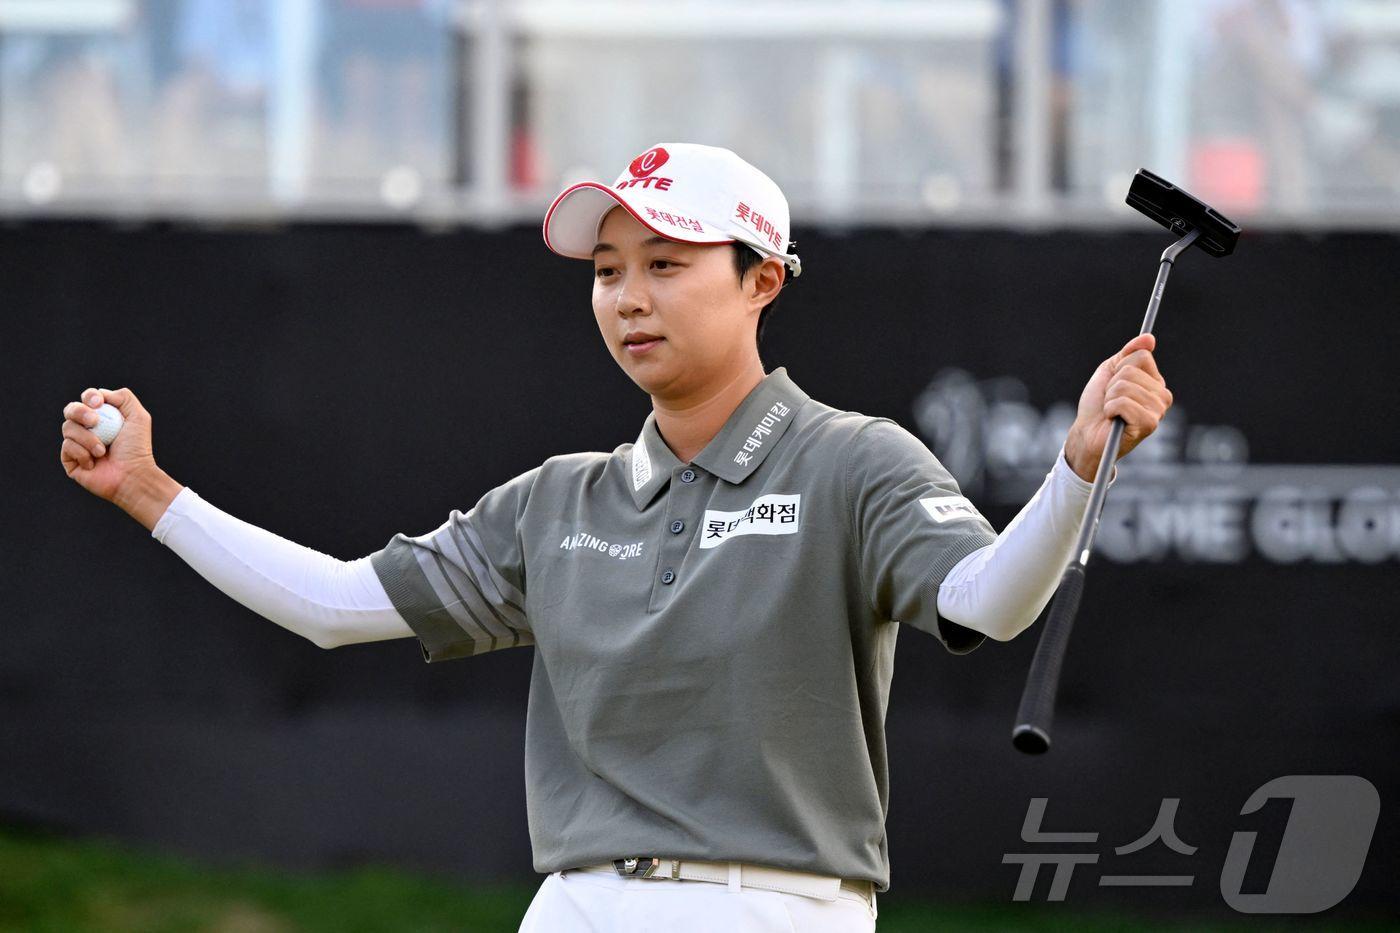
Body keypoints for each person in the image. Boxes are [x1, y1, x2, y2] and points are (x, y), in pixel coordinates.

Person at [59, 142, 1172, 932]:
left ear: (761, 280)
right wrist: (152, 493)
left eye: (665, 264)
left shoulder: (853, 459)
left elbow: (987, 601)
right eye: (606, 271)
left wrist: (1075, 470)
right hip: (577, 905)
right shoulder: (557, 499)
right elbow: (334, 606)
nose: (627, 297)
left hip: (776, 907)